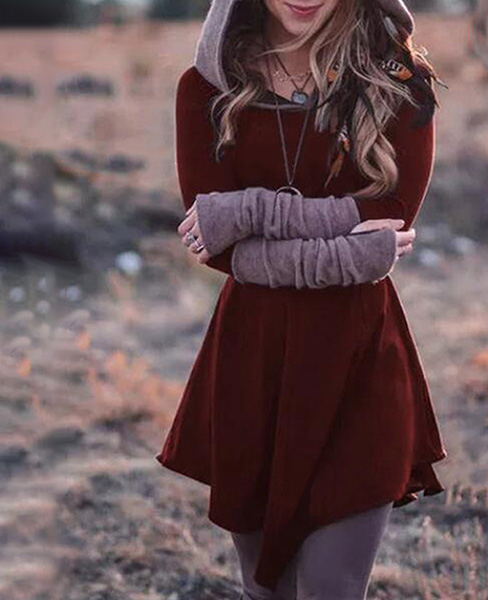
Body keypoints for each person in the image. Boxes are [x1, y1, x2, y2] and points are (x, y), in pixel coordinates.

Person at [155, 1, 449, 598]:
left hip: (358, 357)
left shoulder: (398, 82)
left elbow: (390, 217)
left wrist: (246, 212)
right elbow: (215, 245)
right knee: (266, 589)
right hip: (252, 357)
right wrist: (348, 249)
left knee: (332, 587)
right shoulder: (207, 89)